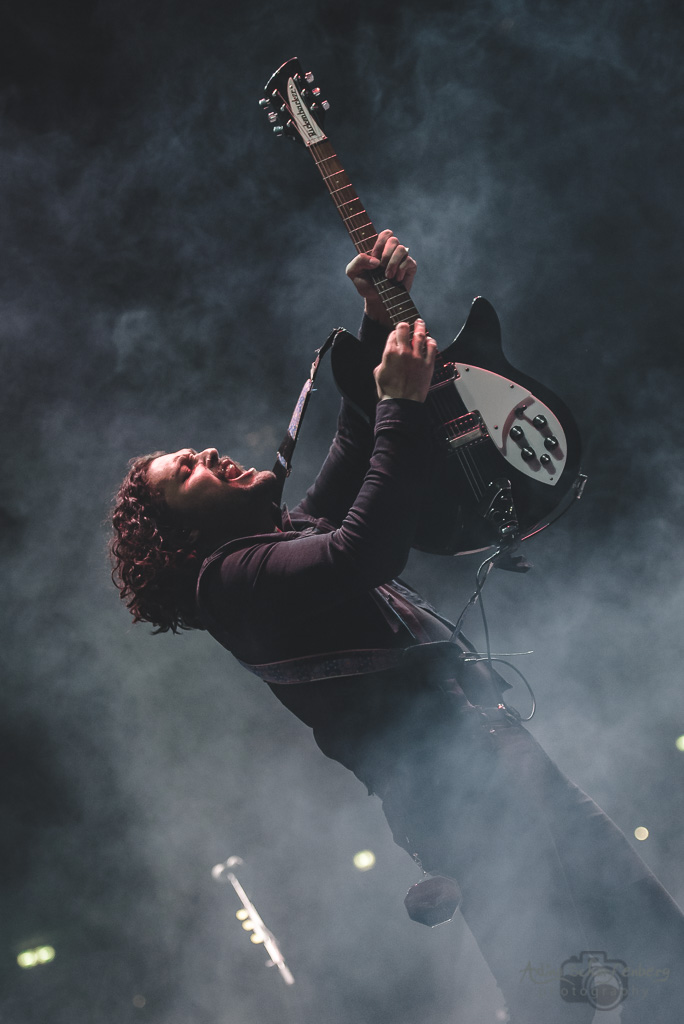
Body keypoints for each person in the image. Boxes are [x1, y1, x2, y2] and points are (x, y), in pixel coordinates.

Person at [111, 231, 684, 1022]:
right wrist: (403, 406)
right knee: (563, 981)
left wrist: (377, 316)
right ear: (180, 536)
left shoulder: (277, 542)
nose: (206, 451)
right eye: (186, 470)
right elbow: (363, 550)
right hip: (460, 797)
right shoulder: (229, 583)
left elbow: (356, 439)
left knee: (648, 947)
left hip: (488, 757)